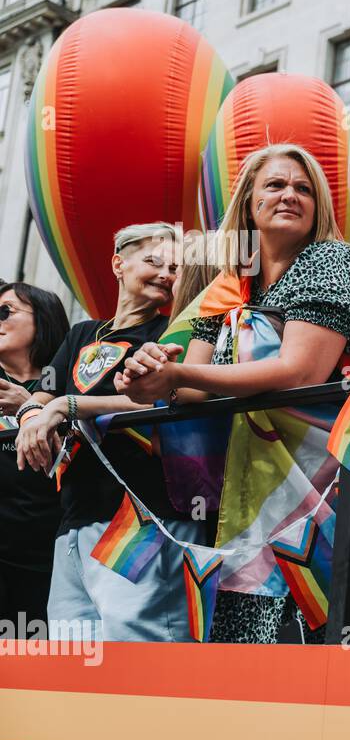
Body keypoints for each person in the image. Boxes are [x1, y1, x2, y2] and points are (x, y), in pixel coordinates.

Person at [120, 144, 350, 643]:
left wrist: (179, 380)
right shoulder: (230, 285)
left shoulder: (331, 259)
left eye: (304, 189)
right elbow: (190, 383)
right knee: (249, 659)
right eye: (275, 185)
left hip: (325, 489)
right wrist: (146, 377)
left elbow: (299, 370)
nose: (290, 196)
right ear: (248, 202)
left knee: (325, 647)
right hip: (248, 501)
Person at [15, 224, 204, 641]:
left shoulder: (172, 334)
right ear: (118, 263)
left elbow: (159, 401)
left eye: (176, 267)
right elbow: (42, 394)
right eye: (155, 261)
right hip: (75, 518)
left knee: (138, 647)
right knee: (72, 653)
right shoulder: (82, 333)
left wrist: (68, 406)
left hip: (143, 517)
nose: (167, 274)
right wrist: (32, 419)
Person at [0, 282, 69, 623]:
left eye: (5, 312)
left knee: (34, 657)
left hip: (50, 544)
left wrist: (30, 406)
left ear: (43, 319)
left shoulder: (68, 384)